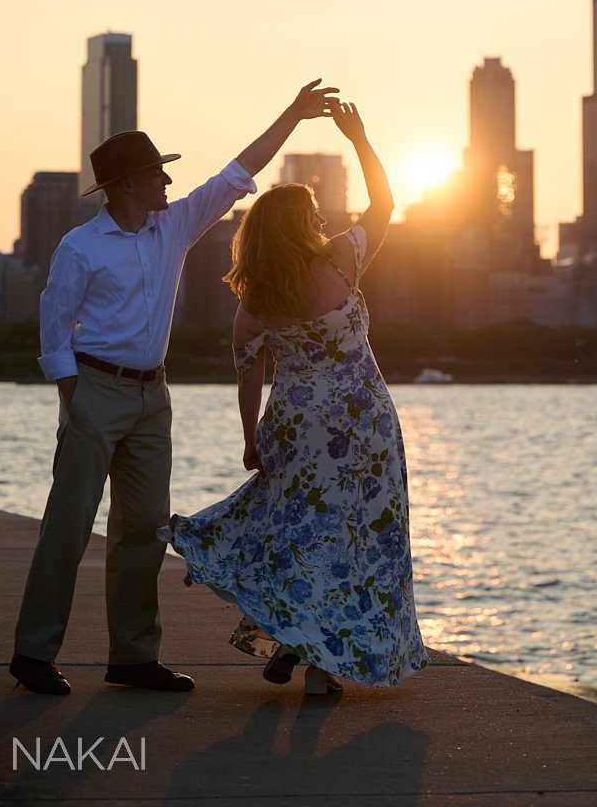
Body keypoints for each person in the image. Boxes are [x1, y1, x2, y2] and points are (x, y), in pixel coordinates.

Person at [10, 79, 338, 696]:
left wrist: (294, 112)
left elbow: (239, 171)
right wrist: (74, 401)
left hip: (153, 396)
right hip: (96, 392)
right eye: (156, 174)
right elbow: (55, 333)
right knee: (69, 524)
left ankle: (132, 658)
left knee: (144, 529)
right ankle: (32, 653)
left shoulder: (175, 227)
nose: (166, 182)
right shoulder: (79, 248)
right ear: (127, 184)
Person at [159, 100, 429, 694]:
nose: (320, 219)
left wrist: (250, 435)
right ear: (301, 225)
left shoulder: (253, 300)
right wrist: (359, 137)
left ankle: (291, 637)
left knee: (300, 530)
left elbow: (247, 373)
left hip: (297, 423)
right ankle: (322, 667)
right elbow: (384, 202)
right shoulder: (341, 261)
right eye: (312, 212)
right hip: (364, 423)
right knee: (358, 536)